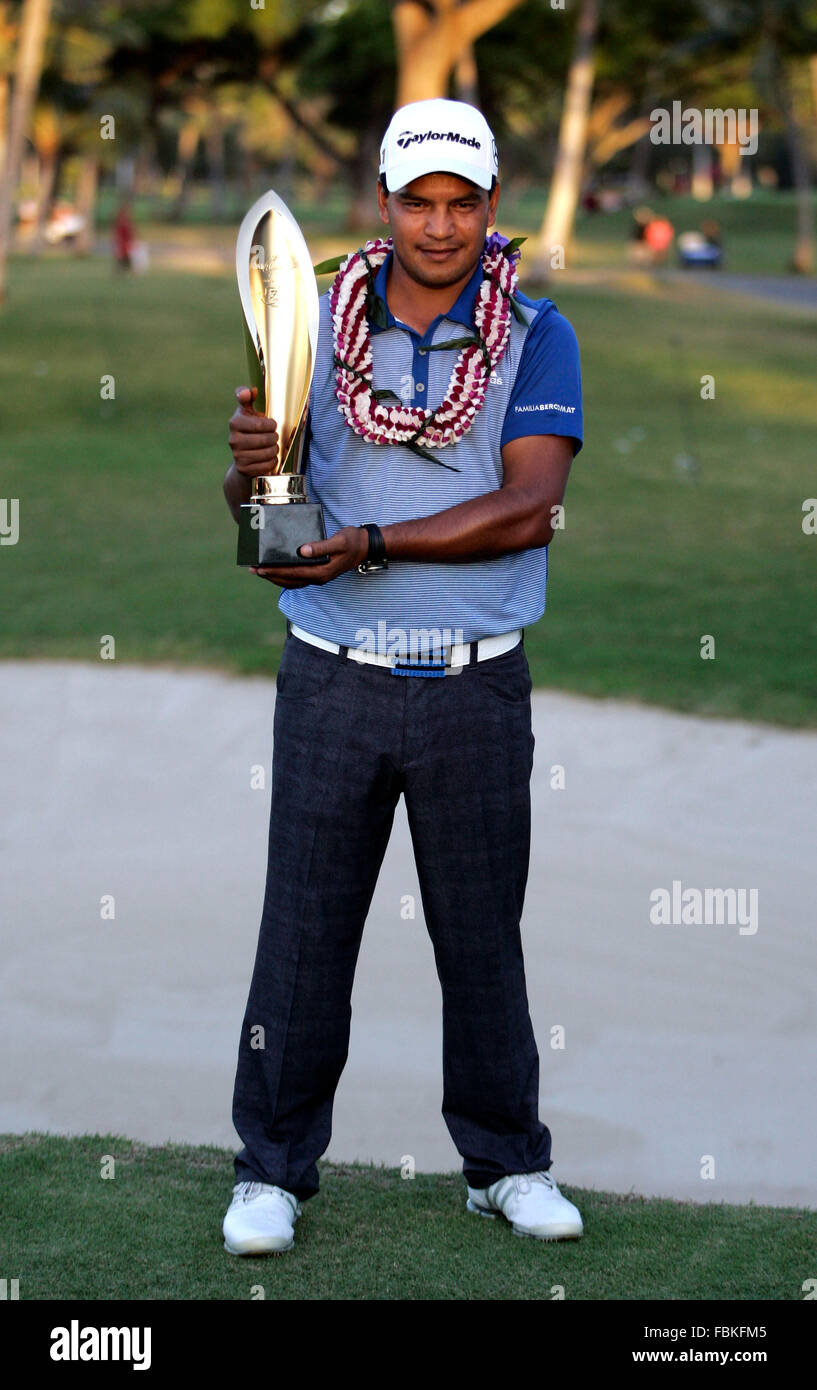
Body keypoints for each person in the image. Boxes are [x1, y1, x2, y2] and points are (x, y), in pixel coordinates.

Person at [221, 98, 585, 1256]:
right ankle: (271, 1173)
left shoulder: (538, 331)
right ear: (383, 201)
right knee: (304, 928)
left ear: (490, 208)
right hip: (334, 672)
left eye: (461, 203)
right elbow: (261, 522)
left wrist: (378, 542)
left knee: (481, 933)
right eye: (417, 201)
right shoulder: (312, 325)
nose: (438, 225)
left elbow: (529, 507)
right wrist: (249, 473)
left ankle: (504, 1163)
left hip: (474, 680)